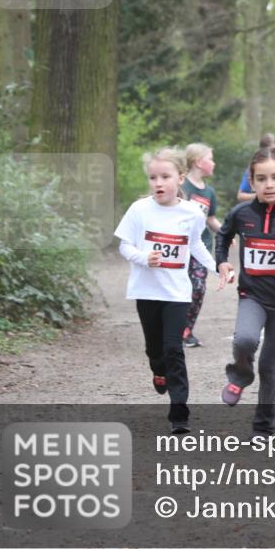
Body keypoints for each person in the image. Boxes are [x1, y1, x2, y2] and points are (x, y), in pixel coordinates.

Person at [114, 147, 217, 434]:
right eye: (153, 177)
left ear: (180, 178)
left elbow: (195, 244)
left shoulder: (192, 212)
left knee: (174, 348)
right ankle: (158, 372)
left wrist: (217, 267)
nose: (158, 183)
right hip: (146, 292)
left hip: (176, 294)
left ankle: (179, 413)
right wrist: (143, 258)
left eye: (165, 177)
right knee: (155, 350)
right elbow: (125, 245)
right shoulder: (139, 210)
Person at [216, 146, 275, 437]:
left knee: (270, 367)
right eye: (261, 179)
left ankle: (263, 427)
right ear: (252, 181)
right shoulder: (241, 213)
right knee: (244, 339)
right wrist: (221, 261)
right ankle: (241, 374)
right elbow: (223, 236)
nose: (268, 184)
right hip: (252, 296)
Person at [181, 143, 222, 348]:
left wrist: (225, 233)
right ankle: (172, 326)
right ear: (199, 161)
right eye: (210, 158)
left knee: (198, 287)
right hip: (179, 248)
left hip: (201, 247)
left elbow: (210, 219)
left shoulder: (209, 192)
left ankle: (187, 329)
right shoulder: (181, 186)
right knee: (178, 288)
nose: (213, 163)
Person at [236, 133, 275, 202]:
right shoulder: (253, 169)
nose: (269, 185)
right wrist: (260, 194)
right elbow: (240, 195)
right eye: (261, 179)